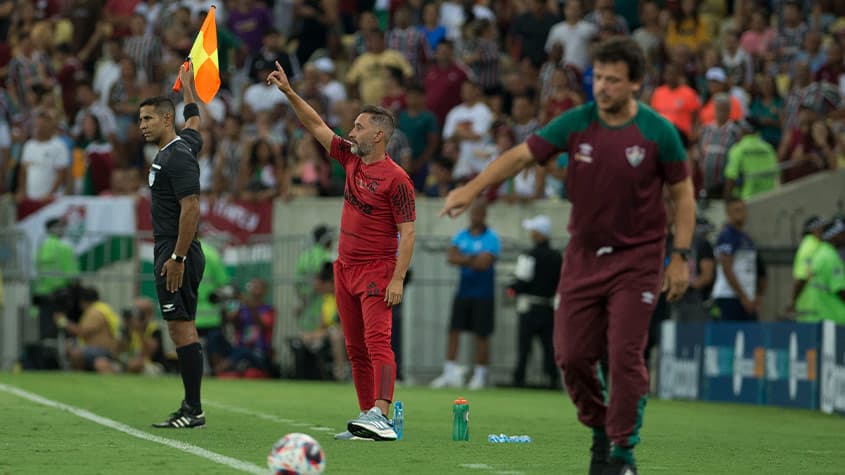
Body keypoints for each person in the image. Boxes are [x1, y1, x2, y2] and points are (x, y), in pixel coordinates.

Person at [439, 37, 696, 475]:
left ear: (635, 83)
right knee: (573, 356)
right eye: (600, 78)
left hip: (638, 258)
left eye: (615, 80)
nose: (605, 87)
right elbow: (522, 155)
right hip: (583, 256)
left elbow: (682, 193)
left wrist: (681, 255)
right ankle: (599, 427)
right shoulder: (576, 122)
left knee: (624, 354)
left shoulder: (658, 132)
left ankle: (621, 453)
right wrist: (471, 188)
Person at [267, 60, 416, 441]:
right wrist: (289, 92)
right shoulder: (350, 157)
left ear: (379, 135)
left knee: (377, 341)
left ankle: (382, 413)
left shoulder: (397, 179)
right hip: (344, 267)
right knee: (354, 347)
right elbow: (316, 125)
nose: (351, 132)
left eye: (359, 127)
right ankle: (367, 417)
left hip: (376, 269)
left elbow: (409, 233)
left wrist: (397, 278)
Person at [141, 62, 207, 429]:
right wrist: (190, 87)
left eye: (148, 118)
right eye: (140, 120)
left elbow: (191, 207)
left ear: (167, 120)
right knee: (181, 326)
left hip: (175, 251)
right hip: (174, 249)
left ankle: (193, 410)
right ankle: (191, 407)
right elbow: (195, 121)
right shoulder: (184, 144)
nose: (142, 126)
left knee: (181, 328)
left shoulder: (177, 157)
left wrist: (178, 257)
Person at [430, 199, 500, 390]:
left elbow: (484, 263)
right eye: (472, 214)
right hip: (463, 292)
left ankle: (480, 375)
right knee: (454, 331)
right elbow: (451, 257)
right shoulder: (461, 235)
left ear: (484, 215)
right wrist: (472, 259)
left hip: (484, 294)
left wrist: (464, 258)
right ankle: (449, 372)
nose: (474, 217)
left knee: (481, 335)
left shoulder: (491, 237)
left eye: (478, 214)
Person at [507, 215, 561, 389]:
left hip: (529, 308)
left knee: (524, 346)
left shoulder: (529, 255)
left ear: (539, 234)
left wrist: (512, 288)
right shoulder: (557, 257)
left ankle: (520, 378)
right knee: (549, 347)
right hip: (549, 307)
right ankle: (553, 379)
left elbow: (522, 281)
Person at [712, 198, 764, 322]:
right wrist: (743, 297)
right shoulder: (727, 235)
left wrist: (755, 295)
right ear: (728, 212)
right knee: (729, 339)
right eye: (736, 210)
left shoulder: (747, 238)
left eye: (743, 209)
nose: (741, 213)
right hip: (729, 296)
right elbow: (727, 268)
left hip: (747, 297)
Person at [800, 218, 845, 324]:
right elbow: (841, 291)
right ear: (834, 236)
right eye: (842, 233)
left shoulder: (820, 253)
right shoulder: (831, 257)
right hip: (832, 318)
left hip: (819, 315)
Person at [791, 215, 826, 318]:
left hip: (815, 307)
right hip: (810, 308)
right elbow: (801, 278)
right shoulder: (810, 247)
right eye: (821, 227)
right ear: (814, 230)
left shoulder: (814, 245)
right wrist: (793, 301)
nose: (824, 230)